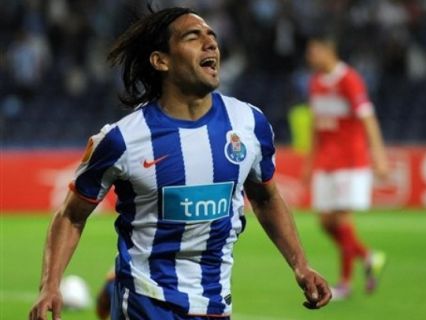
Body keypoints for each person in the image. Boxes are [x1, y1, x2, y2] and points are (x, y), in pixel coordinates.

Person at [29, 7, 331, 320]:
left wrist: (300, 265)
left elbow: (266, 198)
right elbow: (71, 215)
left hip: (215, 305)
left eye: (212, 37)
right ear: (161, 61)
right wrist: (50, 285)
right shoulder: (123, 139)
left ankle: (108, 289)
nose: (210, 43)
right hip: (145, 304)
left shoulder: (249, 124)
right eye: (193, 37)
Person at [303, 33, 388, 300]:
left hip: (350, 162)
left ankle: (344, 283)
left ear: (328, 51)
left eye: (314, 51)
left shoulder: (349, 79)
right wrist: (309, 162)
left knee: (341, 220)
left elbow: (368, 118)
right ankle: (369, 257)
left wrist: (379, 155)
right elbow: (317, 125)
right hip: (326, 162)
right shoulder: (315, 82)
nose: (310, 57)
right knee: (326, 223)